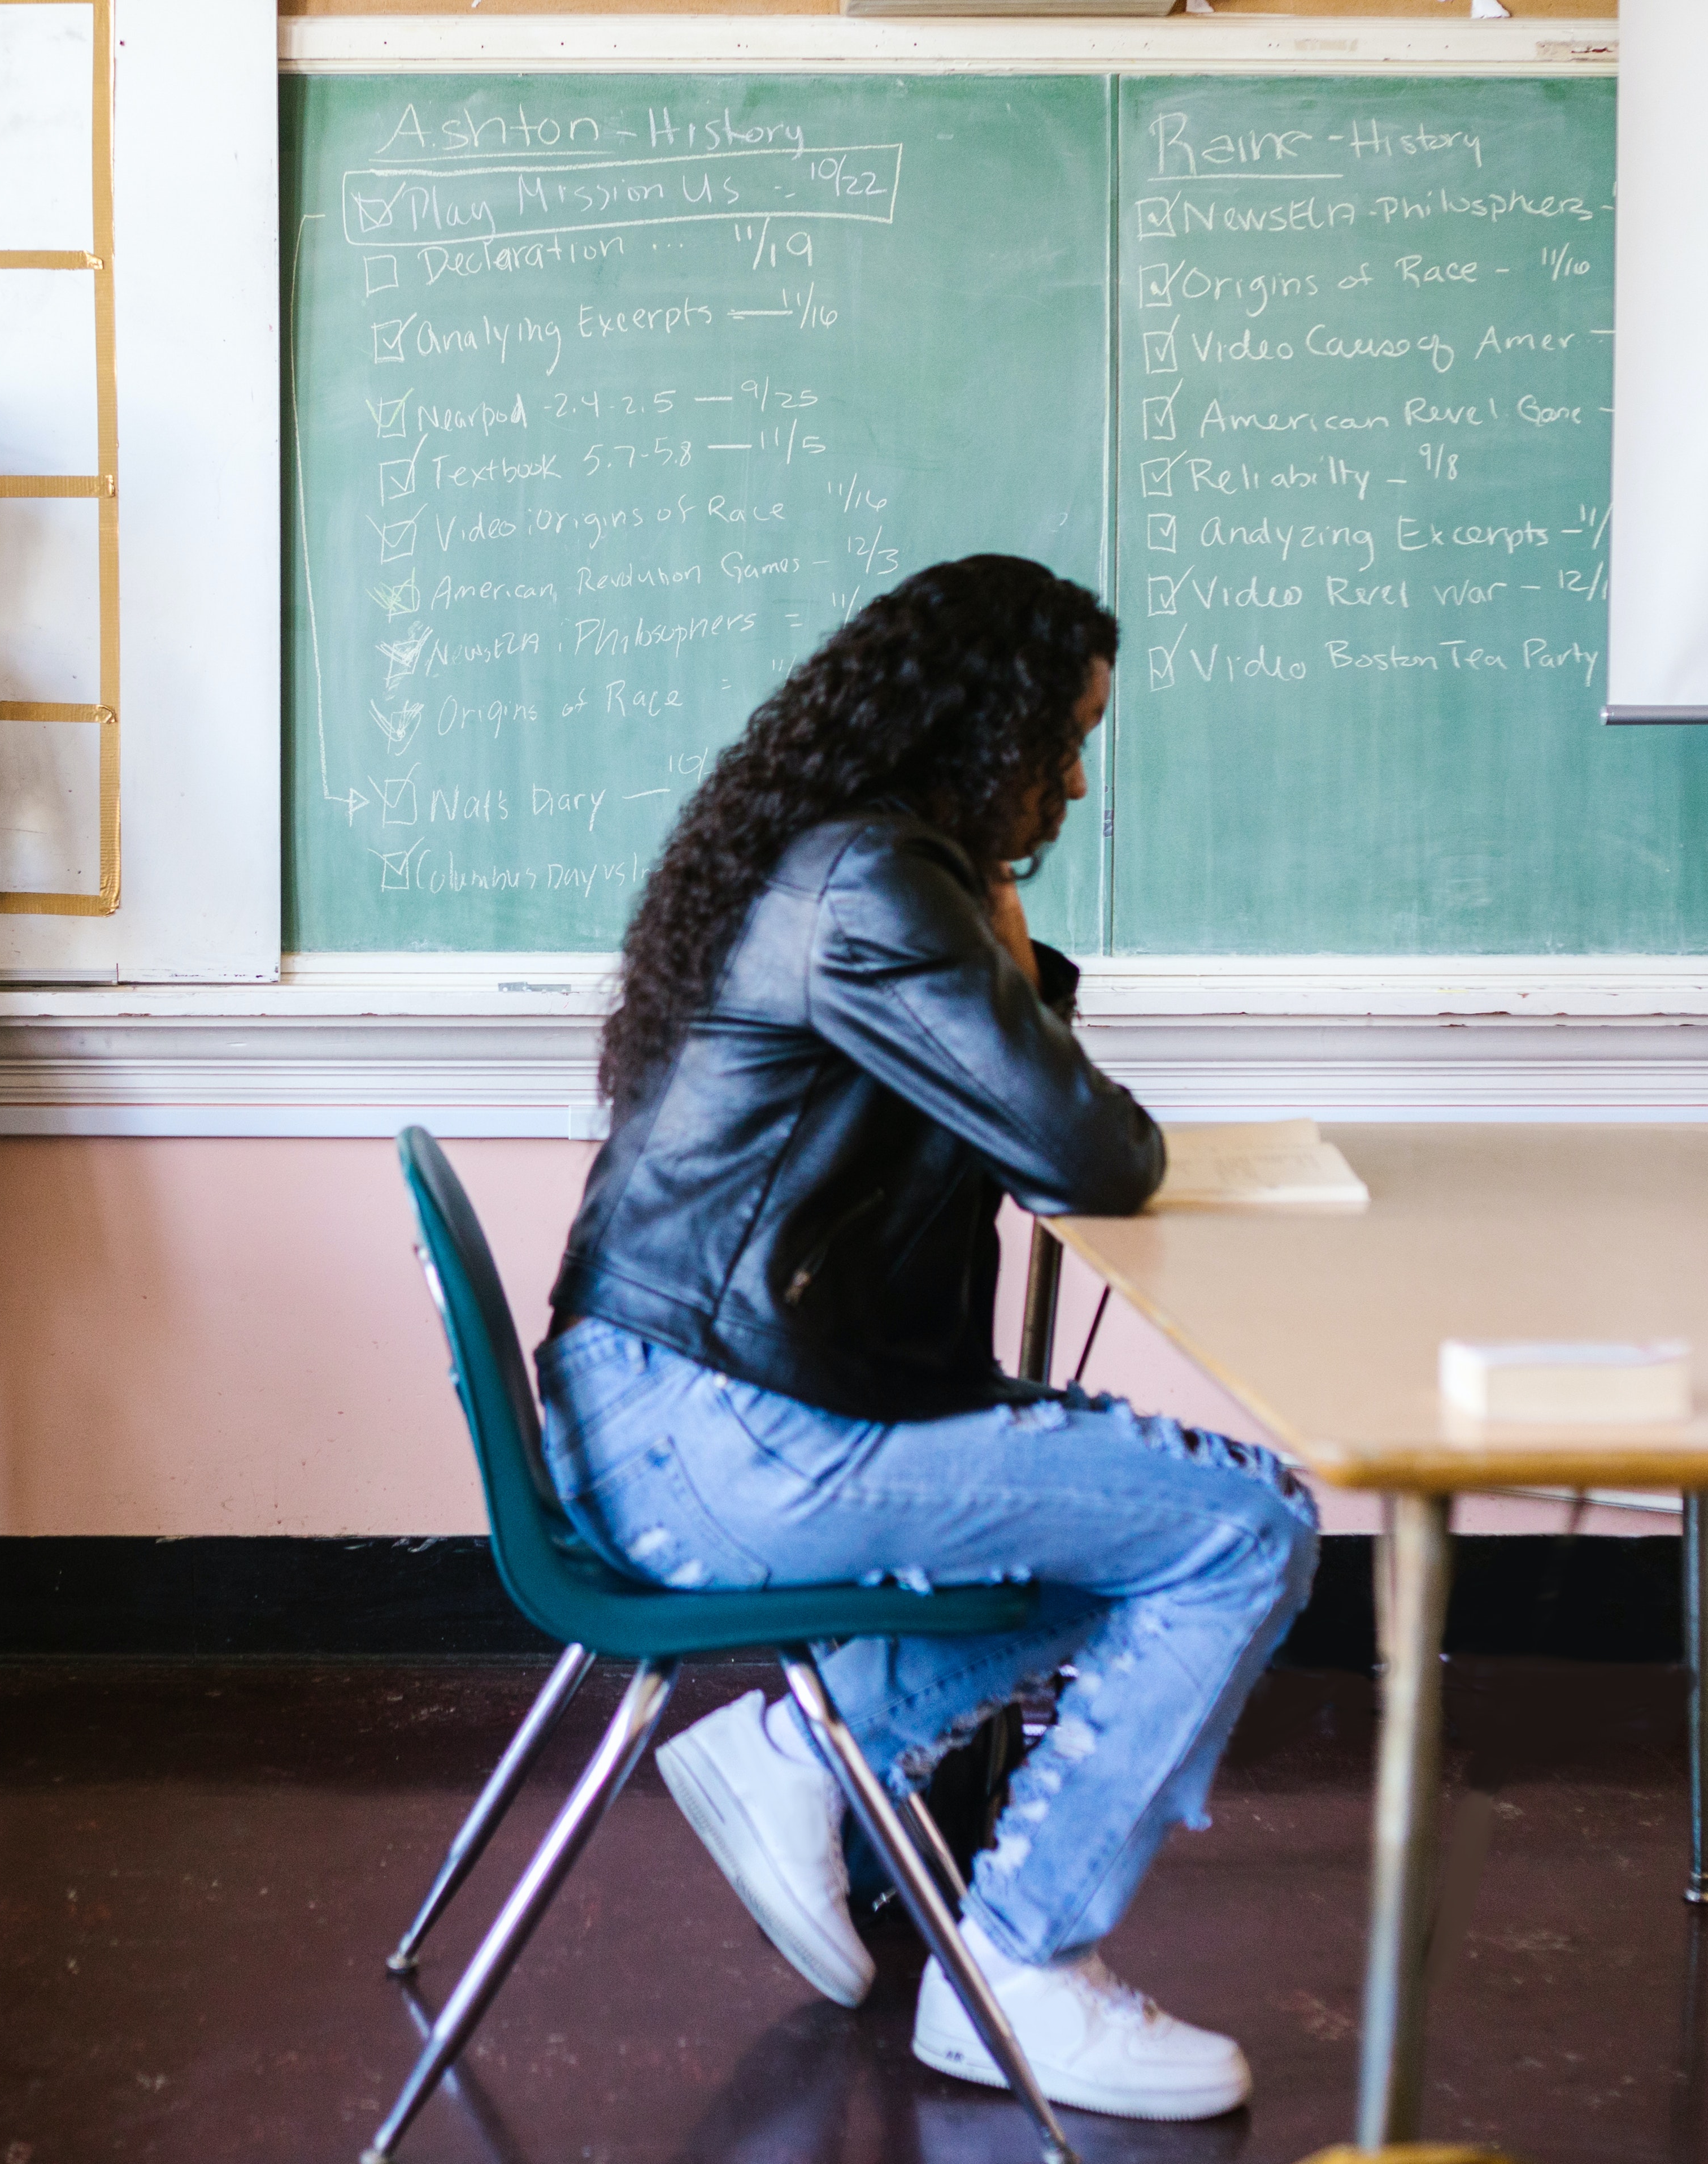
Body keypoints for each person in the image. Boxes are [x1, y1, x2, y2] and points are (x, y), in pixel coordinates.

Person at [538, 554, 1317, 2122]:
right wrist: (1003, 911)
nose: (1079, 781)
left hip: (684, 1408)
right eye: (1064, 738)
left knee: (1122, 1534)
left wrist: (1001, 910)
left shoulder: (853, 861)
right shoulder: (874, 886)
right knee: (1247, 1523)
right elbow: (1090, 1154)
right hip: (725, 1435)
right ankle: (1016, 1974)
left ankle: (803, 1758)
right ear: (982, 731)